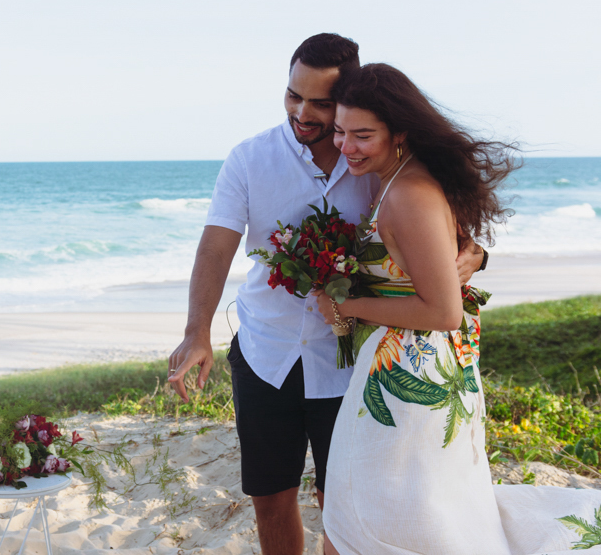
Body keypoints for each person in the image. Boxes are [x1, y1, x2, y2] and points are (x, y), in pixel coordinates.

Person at [167, 34, 486, 555]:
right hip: (266, 355)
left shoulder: (375, 159)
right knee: (270, 498)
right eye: (294, 95)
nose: (303, 111)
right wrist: (196, 332)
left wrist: (475, 255)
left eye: (321, 102)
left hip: (353, 363)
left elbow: (440, 233)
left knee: (343, 503)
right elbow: (215, 246)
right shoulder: (249, 158)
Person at [316, 63, 601, 554]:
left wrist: (347, 305)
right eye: (340, 132)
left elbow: (444, 312)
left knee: (372, 523)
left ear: (399, 132)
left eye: (363, 135)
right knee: (388, 516)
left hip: (413, 379)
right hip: (408, 371)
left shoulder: (408, 194)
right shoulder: (396, 180)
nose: (347, 146)